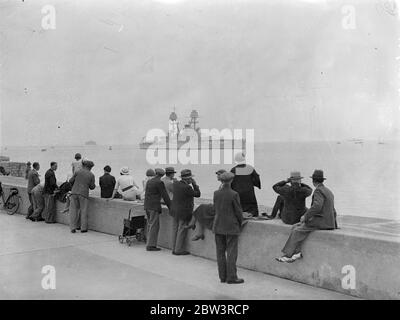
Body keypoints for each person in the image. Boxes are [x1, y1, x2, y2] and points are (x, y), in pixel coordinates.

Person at [276, 170, 338, 263]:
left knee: (297, 229)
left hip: (321, 222)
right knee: (296, 226)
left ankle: (289, 255)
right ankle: (296, 253)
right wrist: (334, 224)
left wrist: (305, 216)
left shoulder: (318, 191)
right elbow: (333, 210)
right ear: (322, 180)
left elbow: (317, 206)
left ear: (313, 181)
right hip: (329, 222)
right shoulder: (328, 191)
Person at [212, 172, 244, 284]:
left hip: (218, 225)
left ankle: (222, 276)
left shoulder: (216, 193)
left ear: (221, 181)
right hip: (231, 226)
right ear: (231, 181)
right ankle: (232, 277)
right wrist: (240, 222)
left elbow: (215, 208)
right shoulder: (234, 194)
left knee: (220, 253)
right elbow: (238, 212)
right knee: (231, 252)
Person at [186, 169, 226, 241]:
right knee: (201, 209)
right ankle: (198, 230)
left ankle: (193, 224)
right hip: (218, 205)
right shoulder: (222, 185)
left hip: (219, 207)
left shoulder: (224, 185)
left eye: (218, 175)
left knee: (201, 208)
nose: (217, 176)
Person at [170, 169, 201, 255]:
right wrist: (195, 184)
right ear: (188, 179)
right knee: (182, 230)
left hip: (174, 210)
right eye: (190, 178)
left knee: (175, 229)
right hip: (183, 212)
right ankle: (178, 250)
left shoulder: (175, 184)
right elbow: (198, 194)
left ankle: (174, 248)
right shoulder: (187, 187)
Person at [143, 168, 171, 251]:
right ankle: (151, 246)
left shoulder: (149, 181)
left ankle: (148, 242)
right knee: (154, 226)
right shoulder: (159, 182)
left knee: (150, 224)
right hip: (154, 206)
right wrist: (170, 207)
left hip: (147, 205)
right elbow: (165, 196)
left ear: (155, 173)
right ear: (162, 175)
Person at [230, 152, 261, 217]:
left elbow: (230, 182)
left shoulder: (233, 170)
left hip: (237, 192)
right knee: (252, 207)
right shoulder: (250, 168)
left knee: (239, 205)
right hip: (248, 191)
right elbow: (256, 179)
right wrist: (256, 184)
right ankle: (253, 214)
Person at [69, 160, 96, 233]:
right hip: (83, 194)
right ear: (90, 167)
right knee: (83, 211)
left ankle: (73, 227)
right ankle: (83, 228)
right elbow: (92, 187)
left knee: (74, 210)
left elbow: (70, 181)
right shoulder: (91, 175)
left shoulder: (77, 172)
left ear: (83, 165)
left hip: (74, 192)